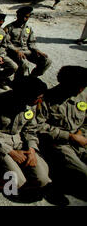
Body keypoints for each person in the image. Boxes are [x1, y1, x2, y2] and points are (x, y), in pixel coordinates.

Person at [0, 77, 53, 194]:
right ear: (26, 96)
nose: (40, 102)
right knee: (16, 182)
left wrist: (32, 149)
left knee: (42, 179)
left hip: (19, 144)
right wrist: (11, 152)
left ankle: (17, 178)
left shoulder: (30, 106)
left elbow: (30, 130)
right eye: (38, 98)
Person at [37, 66, 87, 199]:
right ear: (65, 84)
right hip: (59, 144)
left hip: (81, 137)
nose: (81, 90)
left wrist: (81, 132)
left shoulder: (83, 94)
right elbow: (39, 127)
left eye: (83, 87)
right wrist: (69, 136)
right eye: (78, 87)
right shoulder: (46, 100)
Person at [4, 6, 51, 79]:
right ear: (18, 15)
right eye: (23, 16)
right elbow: (7, 43)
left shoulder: (28, 28)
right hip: (14, 52)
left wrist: (37, 51)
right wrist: (16, 51)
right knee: (24, 64)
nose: (24, 19)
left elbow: (31, 42)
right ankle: (18, 80)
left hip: (27, 51)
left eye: (27, 17)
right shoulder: (9, 27)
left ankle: (33, 76)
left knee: (47, 61)